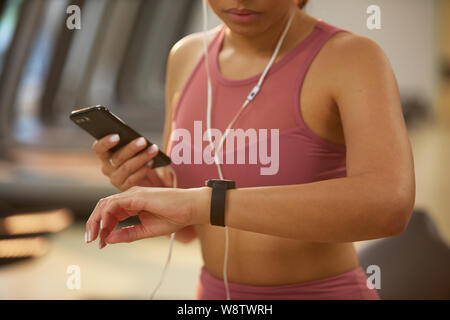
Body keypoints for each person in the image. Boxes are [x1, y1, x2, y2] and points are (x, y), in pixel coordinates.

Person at [85, 0, 415, 299]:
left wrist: (203, 202)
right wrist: (146, 187)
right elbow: (189, 230)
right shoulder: (186, 56)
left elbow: (389, 207)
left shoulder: (352, 57)